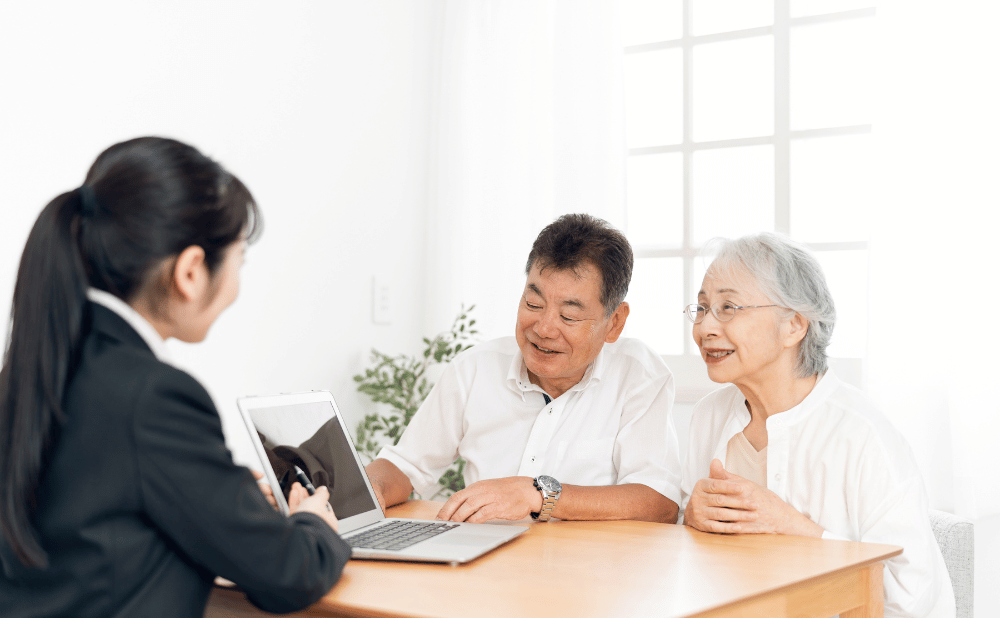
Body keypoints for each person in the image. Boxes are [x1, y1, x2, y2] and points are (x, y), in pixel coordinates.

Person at [0, 137, 350, 618]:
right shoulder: (153, 396)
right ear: (190, 272)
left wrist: (219, 486)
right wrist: (315, 525)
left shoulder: (34, 370)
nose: (236, 287)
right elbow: (287, 575)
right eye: (237, 262)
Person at [680, 232, 954, 618]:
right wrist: (689, 518)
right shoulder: (708, 417)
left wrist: (790, 526)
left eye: (728, 307)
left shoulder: (863, 435)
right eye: (703, 307)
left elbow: (911, 598)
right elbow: (682, 563)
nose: (704, 328)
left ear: (793, 325)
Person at [365, 213, 681, 524]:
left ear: (615, 322)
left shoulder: (638, 374)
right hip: (481, 563)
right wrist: (370, 490)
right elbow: (404, 465)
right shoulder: (474, 368)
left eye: (568, 316)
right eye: (533, 304)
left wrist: (539, 494)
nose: (543, 328)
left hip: (586, 569)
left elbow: (658, 502)